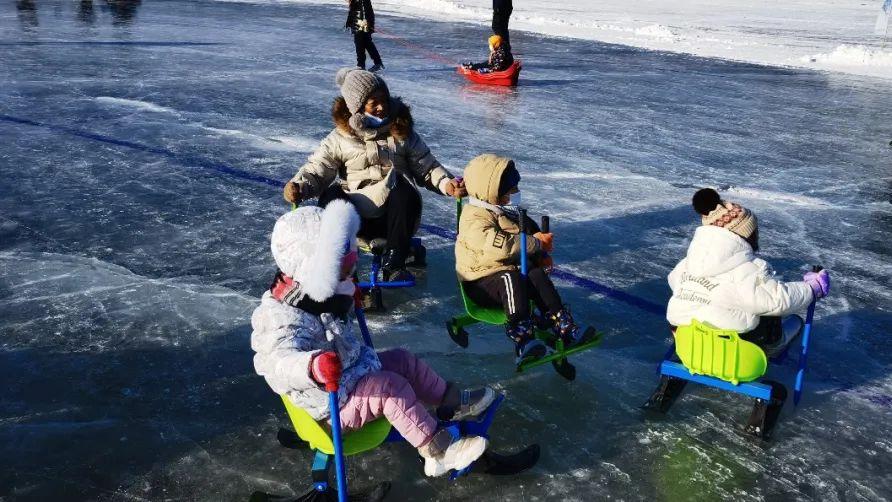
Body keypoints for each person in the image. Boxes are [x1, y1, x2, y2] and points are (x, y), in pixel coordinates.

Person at [251, 200, 497, 476]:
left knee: (402, 360)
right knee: (389, 387)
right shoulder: (280, 317)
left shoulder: (315, 295)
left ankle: (449, 401)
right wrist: (310, 366)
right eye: (342, 273)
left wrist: (345, 299)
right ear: (316, 268)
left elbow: (333, 326)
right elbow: (277, 362)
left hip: (350, 376)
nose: (349, 278)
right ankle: (437, 451)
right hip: (330, 407)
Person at [644, 188, 831, 436]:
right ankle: (762, 417)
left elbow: (674, 282)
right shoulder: (748, 270)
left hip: (688, 349)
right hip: (739, 360)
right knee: (787, 318)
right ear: (743, 234)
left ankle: (663, 394)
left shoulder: (687, 264)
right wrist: (811, 288)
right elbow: (778, 299)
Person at [284, 68, 466, 282]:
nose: (382, 107)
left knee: (403, 188)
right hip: (356, 220)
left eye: (384, 100)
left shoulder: (401, 131)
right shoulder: (340, 138)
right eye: (373, 102)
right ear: (357, 107)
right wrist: (299, 185)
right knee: (332, 196)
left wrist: (447, 184)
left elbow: (426, 166)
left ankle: (394, 264)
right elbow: (318, 168)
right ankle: (337, 266)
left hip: (394, 217)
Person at [455, 154, 591, 365]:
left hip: (509, 275)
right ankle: (522, 339)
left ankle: (562, 324)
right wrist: (535, 243)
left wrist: (540, 256)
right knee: (510, 277)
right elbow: (499, 246)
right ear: (492, 193)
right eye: (511, 191)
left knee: (535, 275)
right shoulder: (474, 216)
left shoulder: (503, 211)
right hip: (480, 282)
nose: (516, 195)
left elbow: (525, 237)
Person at [346, 0, 384, 72]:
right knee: (367, 43)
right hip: (360, 23)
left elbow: (365, 11)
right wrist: (349, 22)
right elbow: (353, 10)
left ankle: (361, 65)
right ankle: (377, 63)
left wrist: (369, 24)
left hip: (361, 23)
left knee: (361, 43)